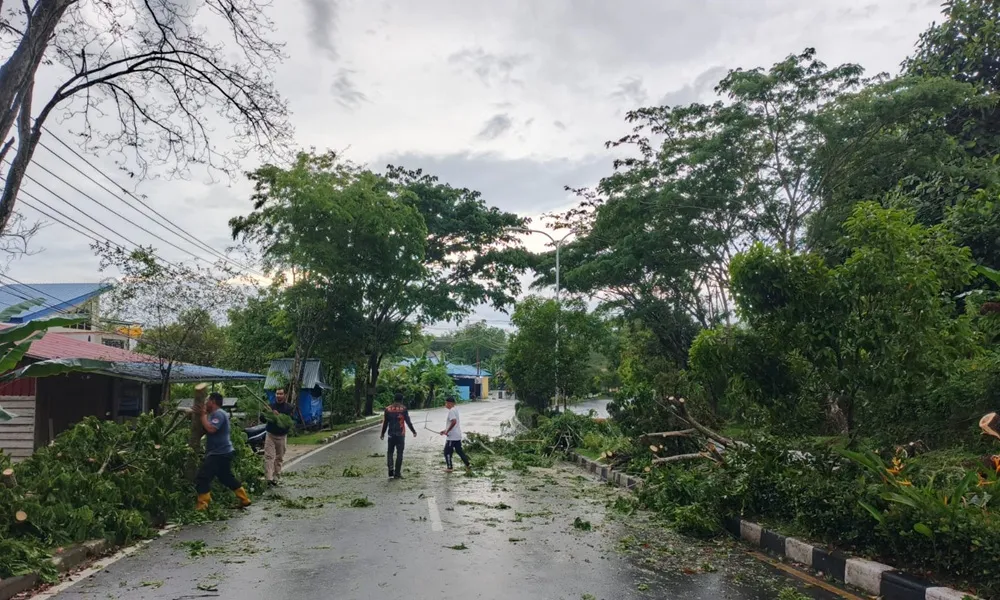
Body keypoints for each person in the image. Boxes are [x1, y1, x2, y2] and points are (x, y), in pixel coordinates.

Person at [194, 392, 251, 510]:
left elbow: (211, 429)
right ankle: (244, 499)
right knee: (225, 477)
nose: (206, 403)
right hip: (223, 452)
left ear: (213, 401)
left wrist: (203, 415)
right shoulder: (214, 414)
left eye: (207, 401)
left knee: (203, 477)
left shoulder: (218, 414)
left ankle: (202, 506)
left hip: (219, 453)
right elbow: (206, 429)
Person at [380, 392, 417, 479]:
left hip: (391, 434)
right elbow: (408, 422)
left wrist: (382, 433)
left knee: (390, 452)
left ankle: (390, 468)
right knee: (399, 453)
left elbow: (385, 423)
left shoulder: (387, 409)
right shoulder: (403, 409)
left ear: (394, 399)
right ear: (402, 400)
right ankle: (397, 473)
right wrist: (413, 431)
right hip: (400, 434)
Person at [264, 388, 294, 486]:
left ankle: (276, 477)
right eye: (277, 394)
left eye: (281, 394)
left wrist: (278, 415)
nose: (279, 396)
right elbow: (263, 418)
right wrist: (266, 412)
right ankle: (269, 478)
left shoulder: (289, 407)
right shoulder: (270, 406)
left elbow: (289, 421)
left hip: (282, 436)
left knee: (279, 457)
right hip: (270, 435)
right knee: (269, 456)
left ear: (284, 395)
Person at [440, 396, 471, 473]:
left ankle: (449, 468)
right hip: (457, 435)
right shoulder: (455, 410)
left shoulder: (451, 411)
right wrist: (445, 431)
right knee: (459, 451)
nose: (445, 405)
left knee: (447, 452)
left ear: (450, 403)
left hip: (452, 437)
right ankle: (468, 464)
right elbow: (453, 424)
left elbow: (454, 422)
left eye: (446, 403)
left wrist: (447, 431)